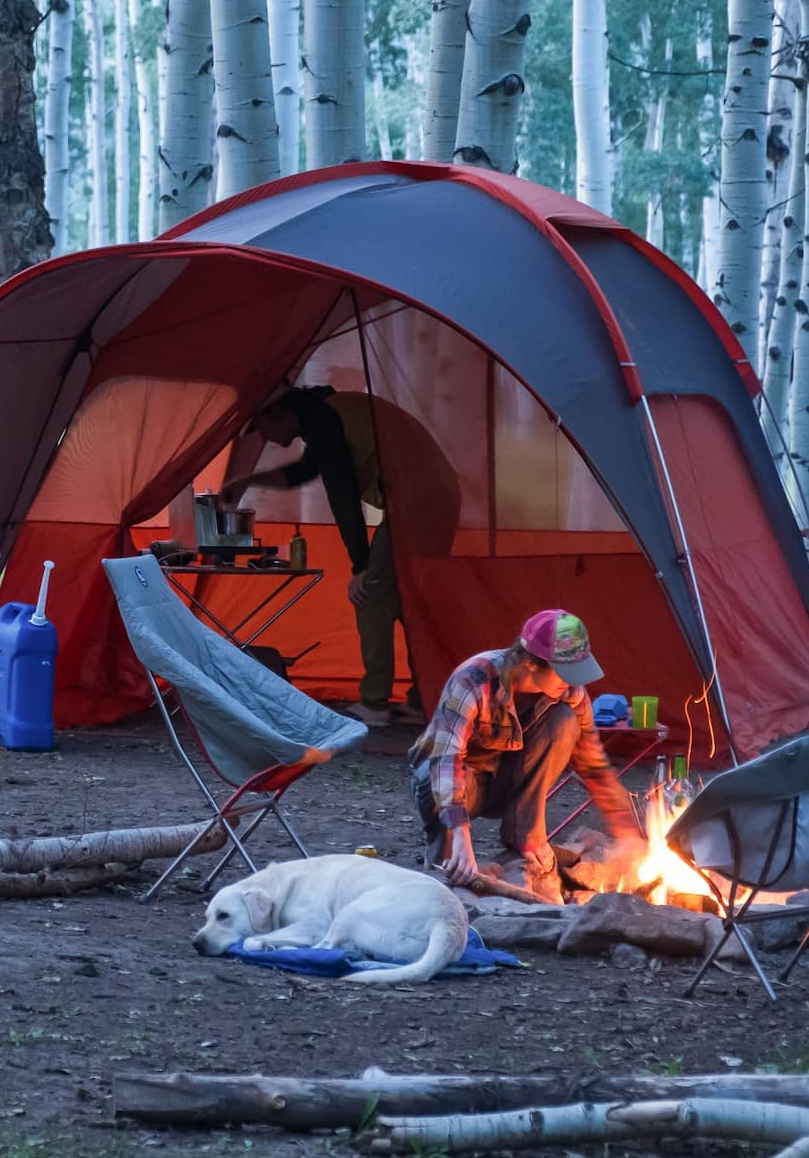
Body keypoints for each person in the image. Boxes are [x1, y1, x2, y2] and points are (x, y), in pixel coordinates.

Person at [408, 608, 645, 903]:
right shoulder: (474, 679)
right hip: (456, 786)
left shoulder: (569, 693)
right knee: (433, 786)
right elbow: (446, 759)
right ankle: (444, 863)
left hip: (506, 783)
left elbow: (594, 767)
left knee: (564, 720)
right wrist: (461, 835)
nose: (572, 683)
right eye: (564, 672)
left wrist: (627, 829)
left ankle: (525, 840)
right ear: (531, 664)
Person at [223, 385, 415, 725]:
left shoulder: (325, 419)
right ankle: (421, 700)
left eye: (260, 427)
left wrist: (361, 564)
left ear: (277, 412)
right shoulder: (327, 413)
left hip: (414, 506)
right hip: (433, 496)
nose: (264, 438)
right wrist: (247, 481)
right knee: (411, 603)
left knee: (369, 595)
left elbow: (342, 494)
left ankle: (375, 703)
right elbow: (304, 471)